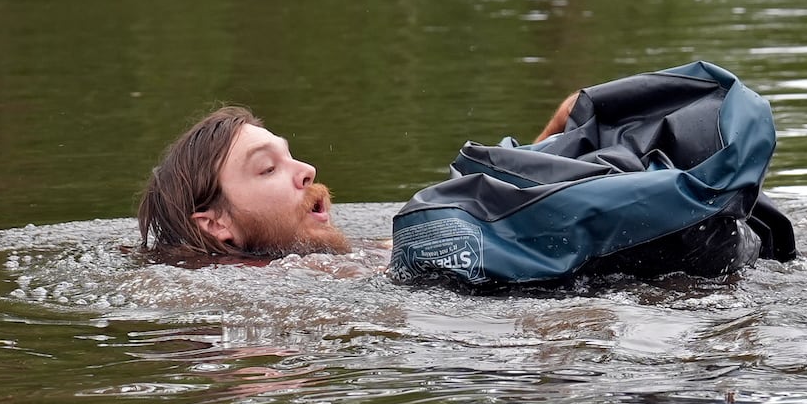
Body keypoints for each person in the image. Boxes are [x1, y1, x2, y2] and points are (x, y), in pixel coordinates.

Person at [135, 98, 579, 261]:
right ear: (216, 224)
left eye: (292, 157)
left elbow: (468, 224)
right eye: (268, 168)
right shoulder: (241, 292)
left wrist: (554, 136)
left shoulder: (341, 259)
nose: (307, 171)